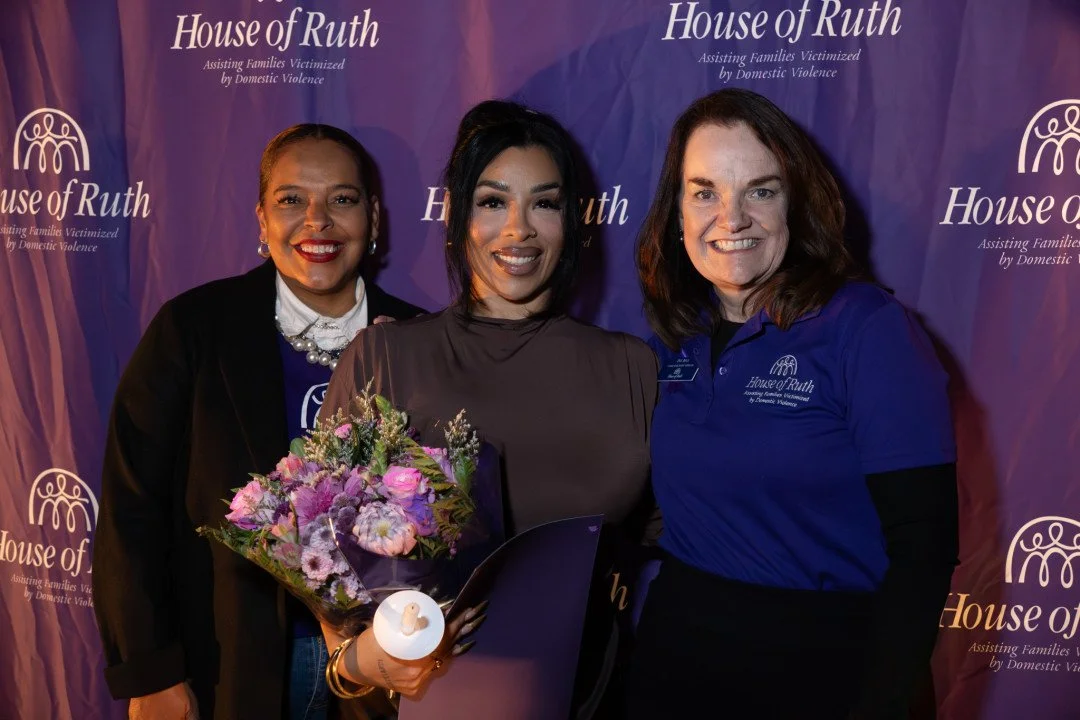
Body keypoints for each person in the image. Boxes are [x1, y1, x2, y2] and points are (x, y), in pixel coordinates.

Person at [319, 100, 659, 719]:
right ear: (454, 215)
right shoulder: (386, 356)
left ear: (577, 220)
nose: (518, 229)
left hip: (588, 698)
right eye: (493, 201)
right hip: (414, 702)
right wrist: (355, 660)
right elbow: (324, 557)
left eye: (545, 203)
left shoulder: (631, 367)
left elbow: (677, 530)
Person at [627, 88, 959, 719]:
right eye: (704, 192)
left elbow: (925, 541)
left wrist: (882, 702)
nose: (731, 218)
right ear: (675, 211)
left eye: (760, 189)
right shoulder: (672, 339)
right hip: (675, 660)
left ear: (796, 202)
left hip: (826, 668)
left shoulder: (868, 328)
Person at [92, 123, 425, 720]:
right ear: (261, 219)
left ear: (373, 217)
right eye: (291, 200)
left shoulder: (422, 339)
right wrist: (150, 670)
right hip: (231, 662)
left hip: (386, 667)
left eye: (342, 200)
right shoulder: (194, 330)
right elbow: (131, 507)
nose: (316, 221)